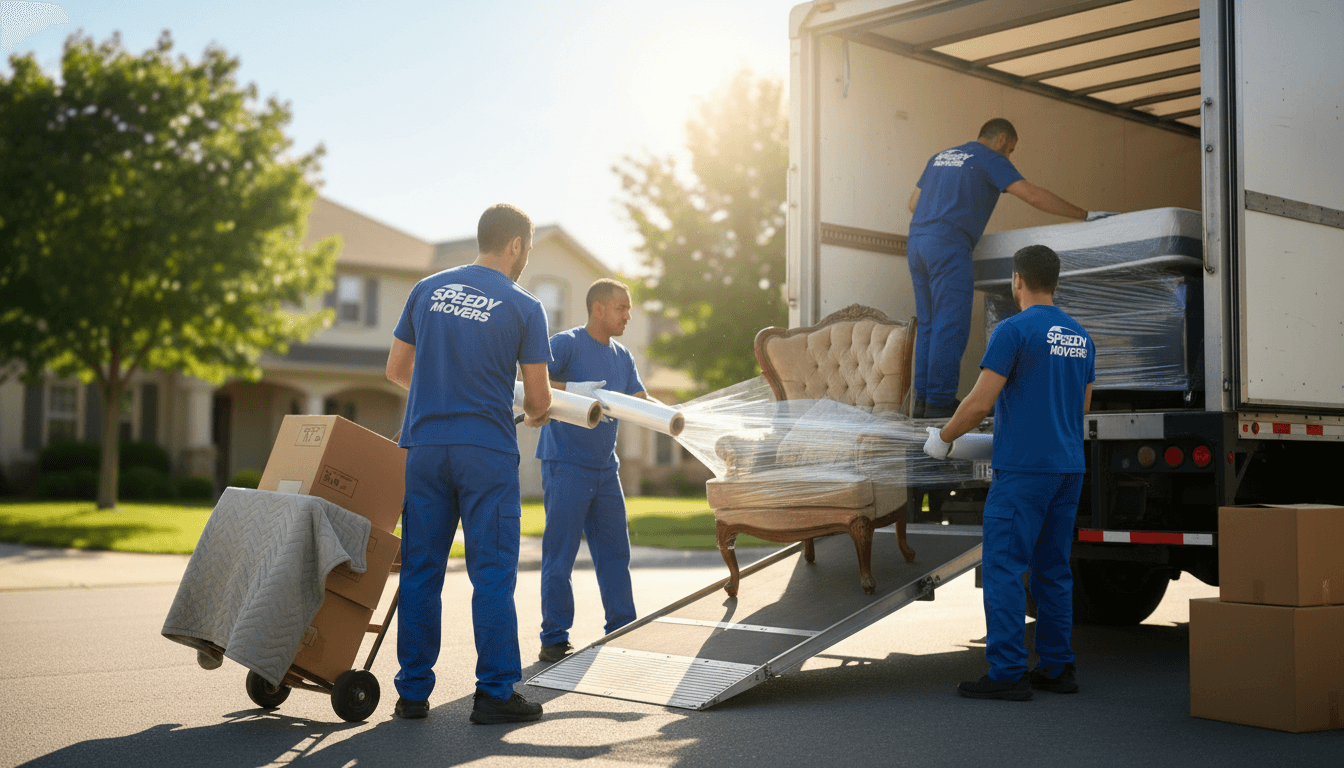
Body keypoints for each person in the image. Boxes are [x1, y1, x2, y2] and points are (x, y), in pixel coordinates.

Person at [384, 203, 554, 724]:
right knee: (493, 575)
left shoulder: (426, 290)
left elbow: (395, 370)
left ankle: (412, 693)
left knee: (420, 571)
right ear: (516, 246)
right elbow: (541, 401)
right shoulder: (525, 306)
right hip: (485, 451)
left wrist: (441, 394)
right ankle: (495, 694)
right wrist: (530, 414)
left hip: (426, 448)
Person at [923, 244, 1095, 701]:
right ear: (1055, 282)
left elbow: (980, 401)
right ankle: (1057, 669)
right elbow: (1080, 407)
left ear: (1017, 280)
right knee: (1053, 570)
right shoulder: (1081, 336)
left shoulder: (1013, 331)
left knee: (1003, 568)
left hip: (1023, 472)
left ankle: (1006, 674)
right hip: (1068, 468)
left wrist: (942, 438)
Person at [906, 118, 1113, 418]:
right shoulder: (990, 159)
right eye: (1011, 150)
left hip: (917, 242)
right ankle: (939, 402)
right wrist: (1084, 214)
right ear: (1001, 139)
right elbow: (1031, 194)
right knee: (950, 323)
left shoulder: (940, 156)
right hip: (948, 245)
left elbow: (913, 203)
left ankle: (922, 403)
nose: (1010, 156)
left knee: (928, 324)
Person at [535, 278, 658, 663]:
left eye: (629, 309)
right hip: (566, 463)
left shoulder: (623, 356)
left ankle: (621, 628)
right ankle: (554, 637)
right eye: (622, 308)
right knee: (561, 555)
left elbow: (640, 400)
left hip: (606, 469)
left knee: (615, 553)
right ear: (599, 308)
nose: (628, 315)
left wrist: (679, 417)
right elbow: (529, 381)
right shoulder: (566, 344)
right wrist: (574, 388)